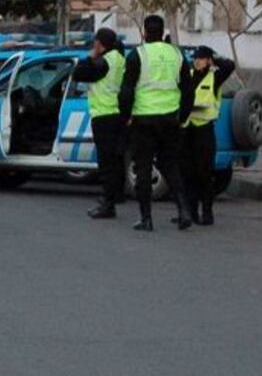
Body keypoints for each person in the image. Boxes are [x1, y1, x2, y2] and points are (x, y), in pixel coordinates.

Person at [119, 15, 195, 231]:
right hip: (170, 119)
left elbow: (126, 91)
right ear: (162, 32)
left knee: (143, 168)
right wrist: (182, 117)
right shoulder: (177, 54)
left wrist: (126, 117)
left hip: (143, 120)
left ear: (144, 32)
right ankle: (184, 211)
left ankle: (146, 218)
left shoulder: (138, 55)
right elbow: (188, 90)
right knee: (170, 165)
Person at [72, 27, 128, 219]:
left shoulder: (102, 62)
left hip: (104, 115)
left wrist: (90, 56)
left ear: (99, 43)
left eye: (95, 42)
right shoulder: (119, 59)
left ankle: (107, 203)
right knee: (115, 160)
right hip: (117, 114)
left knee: (106, 162)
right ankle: (115, 196)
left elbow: (78, 73)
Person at [182, 46, 235, 226]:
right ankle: (190, 212)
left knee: (204, 174)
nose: (198, 61)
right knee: (188, 173)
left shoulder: (215, 77)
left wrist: (214, 59)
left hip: (204, 130)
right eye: (196, 58)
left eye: (202, 58)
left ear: (208, 60)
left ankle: (207, 212)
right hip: (188, 129)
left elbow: (229, 65)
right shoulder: (188, 74)